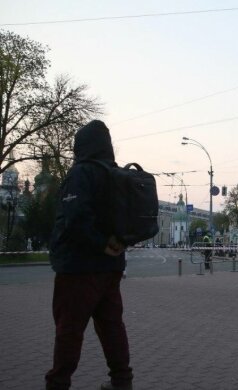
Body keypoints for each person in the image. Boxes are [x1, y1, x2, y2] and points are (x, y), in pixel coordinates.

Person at [46, 120, 133, 390]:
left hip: (78, 267)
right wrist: (115, 245)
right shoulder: (117, 175)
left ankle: (58, 383)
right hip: (112, 266)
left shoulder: (81, 173)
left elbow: (75, 219)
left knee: (69, 331)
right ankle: (122, 381)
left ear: (81, 145)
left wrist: (99, 243)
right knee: (112, 327)